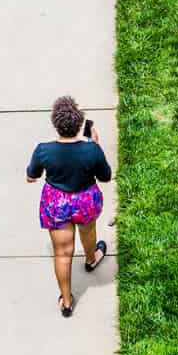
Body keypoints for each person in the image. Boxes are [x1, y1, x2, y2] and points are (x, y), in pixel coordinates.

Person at [26, 95, 111, 317]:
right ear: (79, 123)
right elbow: (105, 176)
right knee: (88, 232)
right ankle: (91, 259)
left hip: (57, 203)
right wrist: (96, 145)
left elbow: (32, 175)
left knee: (62, 253)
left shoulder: (43, 150)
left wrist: (33, 170)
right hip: (84, 201)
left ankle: (65, 301)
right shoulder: (91, 149)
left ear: (56, 124)